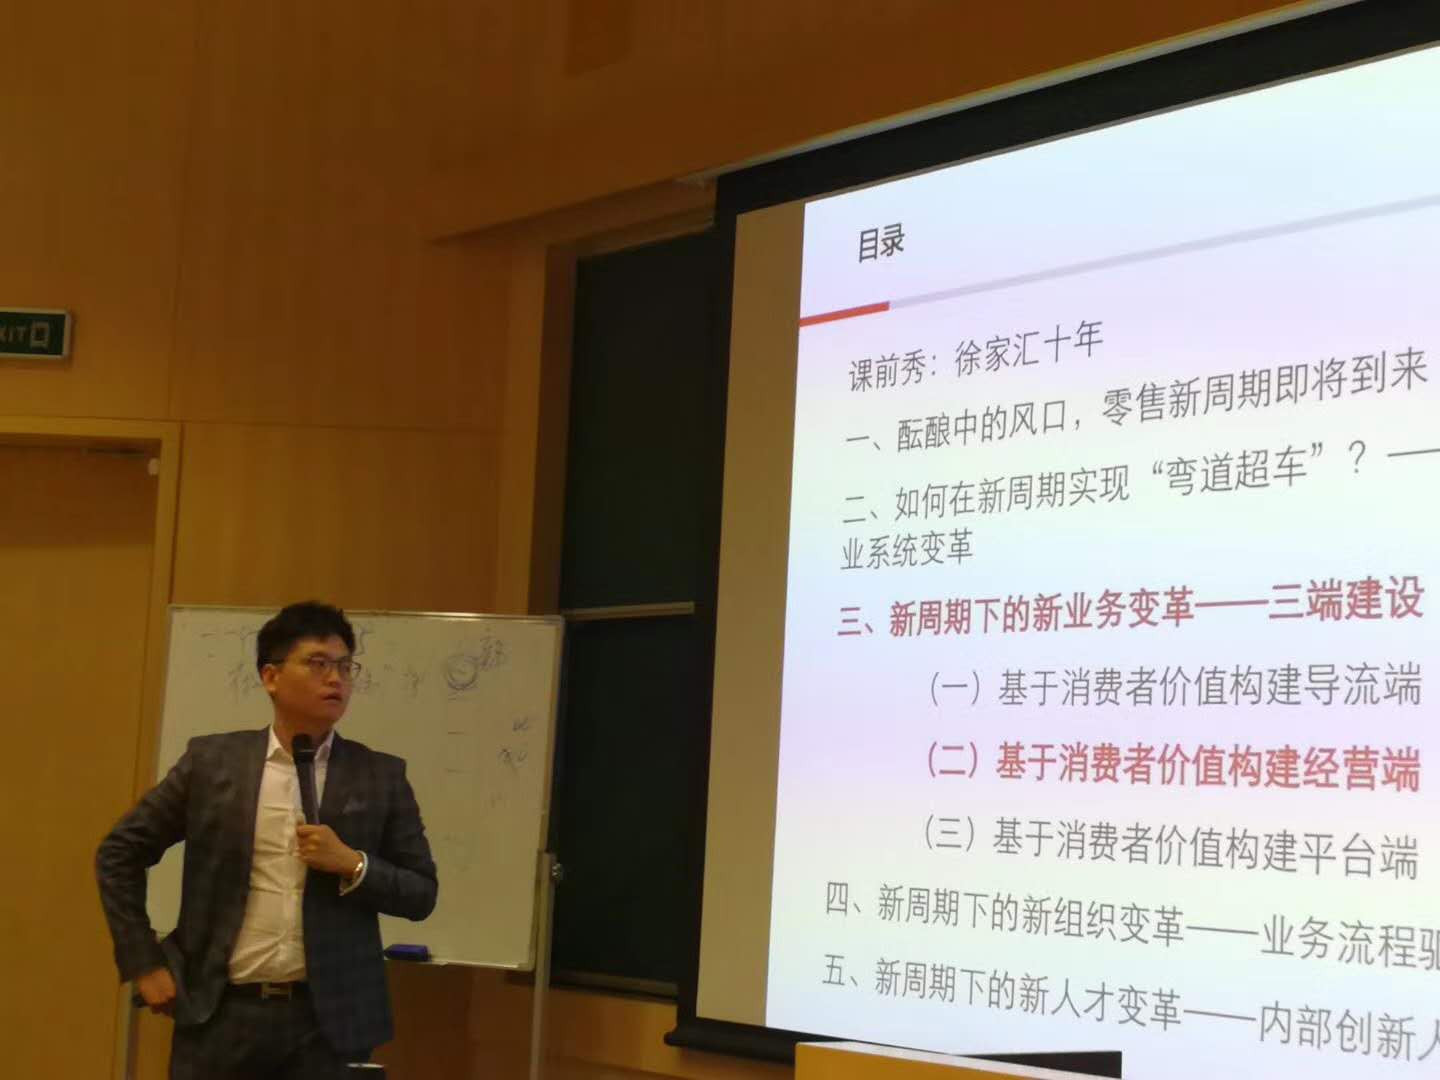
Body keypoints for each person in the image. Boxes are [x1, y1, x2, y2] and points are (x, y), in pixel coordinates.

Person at [96, 601, 438, 1078]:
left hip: (329, 1025)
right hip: (220, 1014)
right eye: (318, 663)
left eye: (345, 666)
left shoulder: (380, 775)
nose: (336, 679)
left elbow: (421, 892)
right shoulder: (212, 763)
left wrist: (353, 864)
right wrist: (142, 960)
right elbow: (119, 852)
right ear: (271, 676)